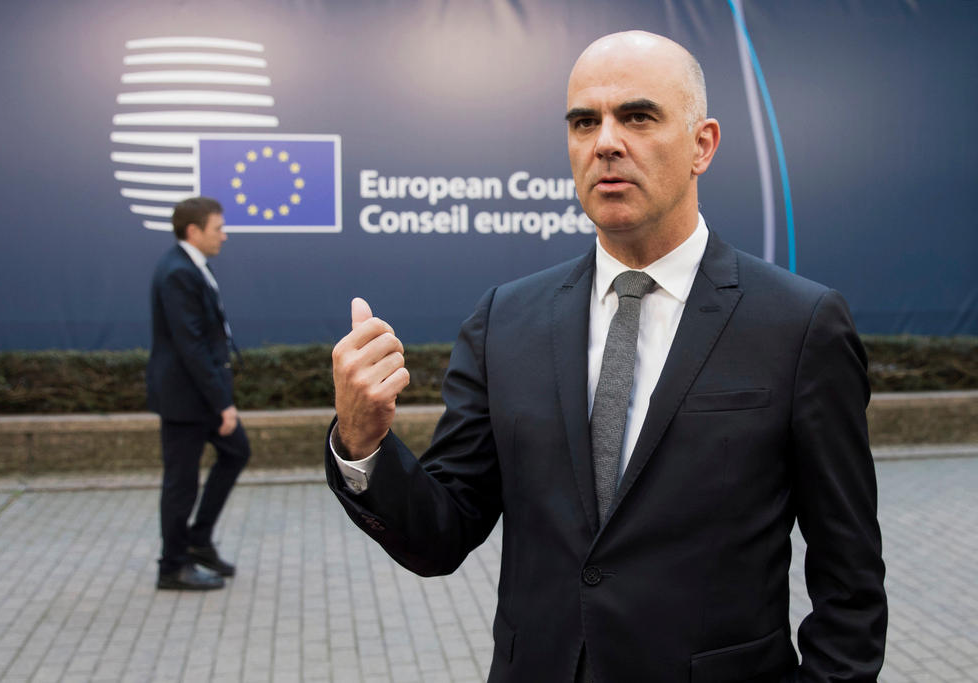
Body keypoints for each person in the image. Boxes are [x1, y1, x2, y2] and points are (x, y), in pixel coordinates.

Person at [326, 31, 886, 682]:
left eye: (638, 117)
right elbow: (442, 534)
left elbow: (849, 579)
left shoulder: (799, 324)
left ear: (702, 144)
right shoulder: (506, 319)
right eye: (584, 122)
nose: (606, 142)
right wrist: (364, 444)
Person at [147, 196, 249, 591]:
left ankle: (199, 541)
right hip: (186, 400)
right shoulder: (178, 272)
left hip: (199, 395)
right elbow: (191, 346)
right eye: (218, 228)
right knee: (181, 483)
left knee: (236, 452)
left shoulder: (190, 267)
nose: (224, 235)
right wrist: (222, 403)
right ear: (193, 231)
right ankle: (172, 566)